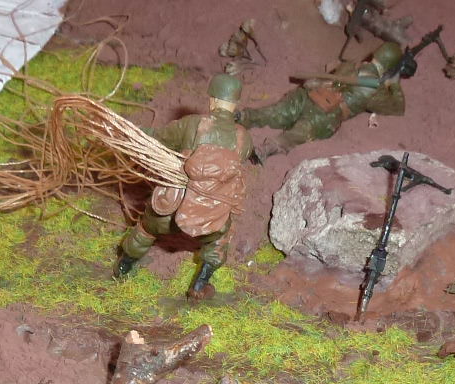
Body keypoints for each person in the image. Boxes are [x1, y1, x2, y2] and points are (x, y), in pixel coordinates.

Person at [114, 72, 254, 300]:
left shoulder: (192, 124)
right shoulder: (244, 138)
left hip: (172, 207)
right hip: (212, 217)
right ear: (235, 103)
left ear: (212, 100)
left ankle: (123, 267)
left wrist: (135, 132)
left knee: (146, 229)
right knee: (219, 240)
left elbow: (160, 138)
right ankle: (199, 285)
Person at [238, 41, 410, 153]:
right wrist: (394, 82)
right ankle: (267, 149)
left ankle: (245, 116)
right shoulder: (375, 91)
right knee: (300, 132)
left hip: (310, 94)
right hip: (325, 115)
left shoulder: (353, 64)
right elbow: (398, 108)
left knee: (278, 111)